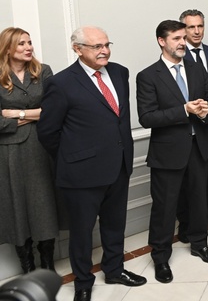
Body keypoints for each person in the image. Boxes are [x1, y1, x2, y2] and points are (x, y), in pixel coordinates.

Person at [37, 26, 146, 301]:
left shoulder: (120, 72)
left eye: (107, 44)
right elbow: (48, 132)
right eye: (97, 46)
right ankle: (83, 282)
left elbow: (117, 119)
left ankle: (114, 269)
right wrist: (75, 156)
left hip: (119, 166)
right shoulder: (61, 83)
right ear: (77, 49)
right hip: (81, 172)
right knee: (82, 233)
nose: (104, 51)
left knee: (114, 225)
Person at [136, 20, 208, 284]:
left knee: (199, 201)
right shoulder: (148, 76)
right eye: (176, 38)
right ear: (162, 41)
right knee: (164, 208)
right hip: (168, 153)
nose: (183, 42)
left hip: (199, 148)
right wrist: (184, 110)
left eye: (183, 37)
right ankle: (160, 258)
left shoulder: (196, 69)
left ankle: (200, 244)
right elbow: (147, 117)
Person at [0, 28, 58, 274]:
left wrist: (16, 114)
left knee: (44, 206)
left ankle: (47, 267)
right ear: (7, 48)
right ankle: (28, 269)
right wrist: (34, 115)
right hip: (9, 153)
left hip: (42, 147)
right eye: (21, 43)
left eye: (30, 42)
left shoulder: (42, 71)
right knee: (16, 209)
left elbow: (53, 110)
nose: (28, 47)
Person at [178, 9, 208, 232]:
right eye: (191, 27)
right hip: (188, 129)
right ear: (183, 30)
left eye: (200, 26)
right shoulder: (177, 54)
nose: (196, 31)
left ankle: (206, 212)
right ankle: (186, 223)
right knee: (187, 180)